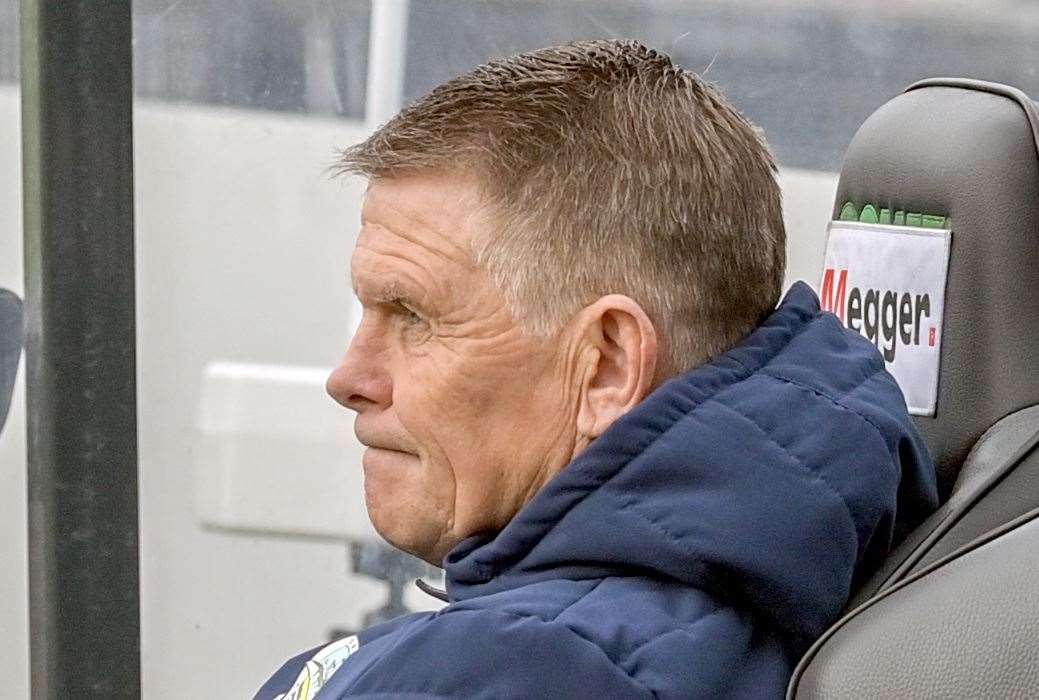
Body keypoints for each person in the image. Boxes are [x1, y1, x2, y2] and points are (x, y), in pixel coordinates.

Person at [255, 39, 937, 699]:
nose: (349, 378)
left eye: (414, 317)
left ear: (606, 366)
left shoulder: (500, 672)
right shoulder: (791, 598)